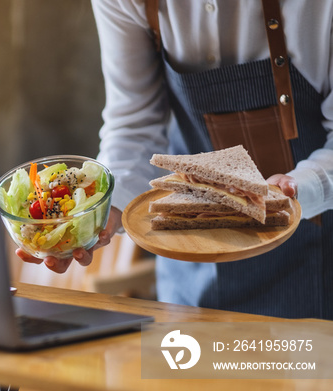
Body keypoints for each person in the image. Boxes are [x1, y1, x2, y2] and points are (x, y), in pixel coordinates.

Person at [18, 0, 333, 319]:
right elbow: (135, 124)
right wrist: (102, 212)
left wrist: (300, 188)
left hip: (316, 263)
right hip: (187, 271)